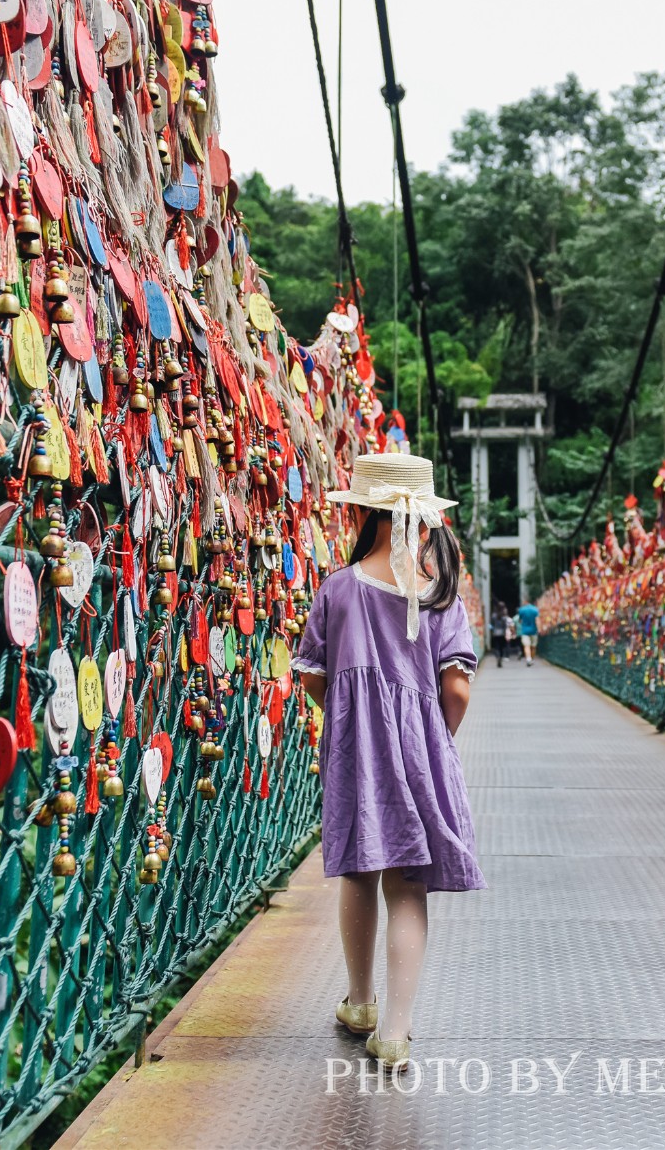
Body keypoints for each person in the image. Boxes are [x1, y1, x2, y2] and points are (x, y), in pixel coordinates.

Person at [293, 453, 483, 1072]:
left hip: (358, 753)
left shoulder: (338, 589)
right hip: (422, 750)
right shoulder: (442, 594)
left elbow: (314, 676)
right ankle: (396, 1033)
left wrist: (352, 714)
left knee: (360, 873)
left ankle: (360, 1002)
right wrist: (434, 732)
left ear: (365, 515)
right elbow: (456, 687)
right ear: (422, 523)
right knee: (409, 885)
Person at [516, 595, 539, 666]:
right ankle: (532, 659)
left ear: (525, 602)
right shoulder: (535, 609)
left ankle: (528, 659)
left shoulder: (521, 610)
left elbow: (519, 620)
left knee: (526, 646)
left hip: (525, 631)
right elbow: (537, 620)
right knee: (533, 646)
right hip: (534, 630)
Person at [488, 601, 509, 668]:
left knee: (496, 647)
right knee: (502, 647)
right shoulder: (504, 616)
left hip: (495, 633)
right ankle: (501, 657)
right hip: (502, 634)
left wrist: (492, 632)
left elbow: (491, 625)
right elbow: (505, 626)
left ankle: (498, 657)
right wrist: (505, 633)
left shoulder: (494, 615)